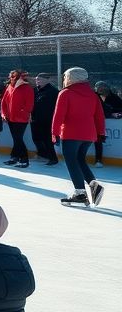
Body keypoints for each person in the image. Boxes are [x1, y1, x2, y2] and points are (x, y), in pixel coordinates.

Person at [53, 67, 106, 207]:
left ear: (71, 78)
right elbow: (99, 116)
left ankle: (80, 194)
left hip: (71, 133)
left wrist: (54, 132)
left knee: (71, 161)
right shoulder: (92, 95)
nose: (64, 79)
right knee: (80, 160)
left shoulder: (65, 93)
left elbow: (59, 115)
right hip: (89, 134)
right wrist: (101, 132)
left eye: (65, 77)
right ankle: (94, 186)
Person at [0, 69, 34, 168]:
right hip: (10, 118)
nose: (11, 78)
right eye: (11, 77)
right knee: (16, 139)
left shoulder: (27, 88)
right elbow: (4, 102)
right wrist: (3, 114)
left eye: (13, 77)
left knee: (18, 139)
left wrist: (23, 113)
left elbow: (29, 105)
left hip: (21, 119)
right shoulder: (9, 87)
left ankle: (24, 159)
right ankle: (15, 157)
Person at [30, 73, 59, 166]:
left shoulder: (53, 91)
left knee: (47, 140)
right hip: (35, 119)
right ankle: (42, 155)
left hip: (47, 120)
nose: (37, 81)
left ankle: (53, 158)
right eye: (36, 79)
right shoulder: (35, 90)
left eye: (40, 79)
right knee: (36, 138)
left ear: (47, 80)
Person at [93, 81, 122, 168]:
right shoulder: (95, 97)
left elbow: (119, 108)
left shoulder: (114, 98)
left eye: (103, 88)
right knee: (96, 140)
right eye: (99, 88)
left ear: (107, 88)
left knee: (99, 139)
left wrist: (114, 113)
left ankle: (98, 160)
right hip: (96, 121)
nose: (101, 90)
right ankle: (97, 159)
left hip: (104, 122)